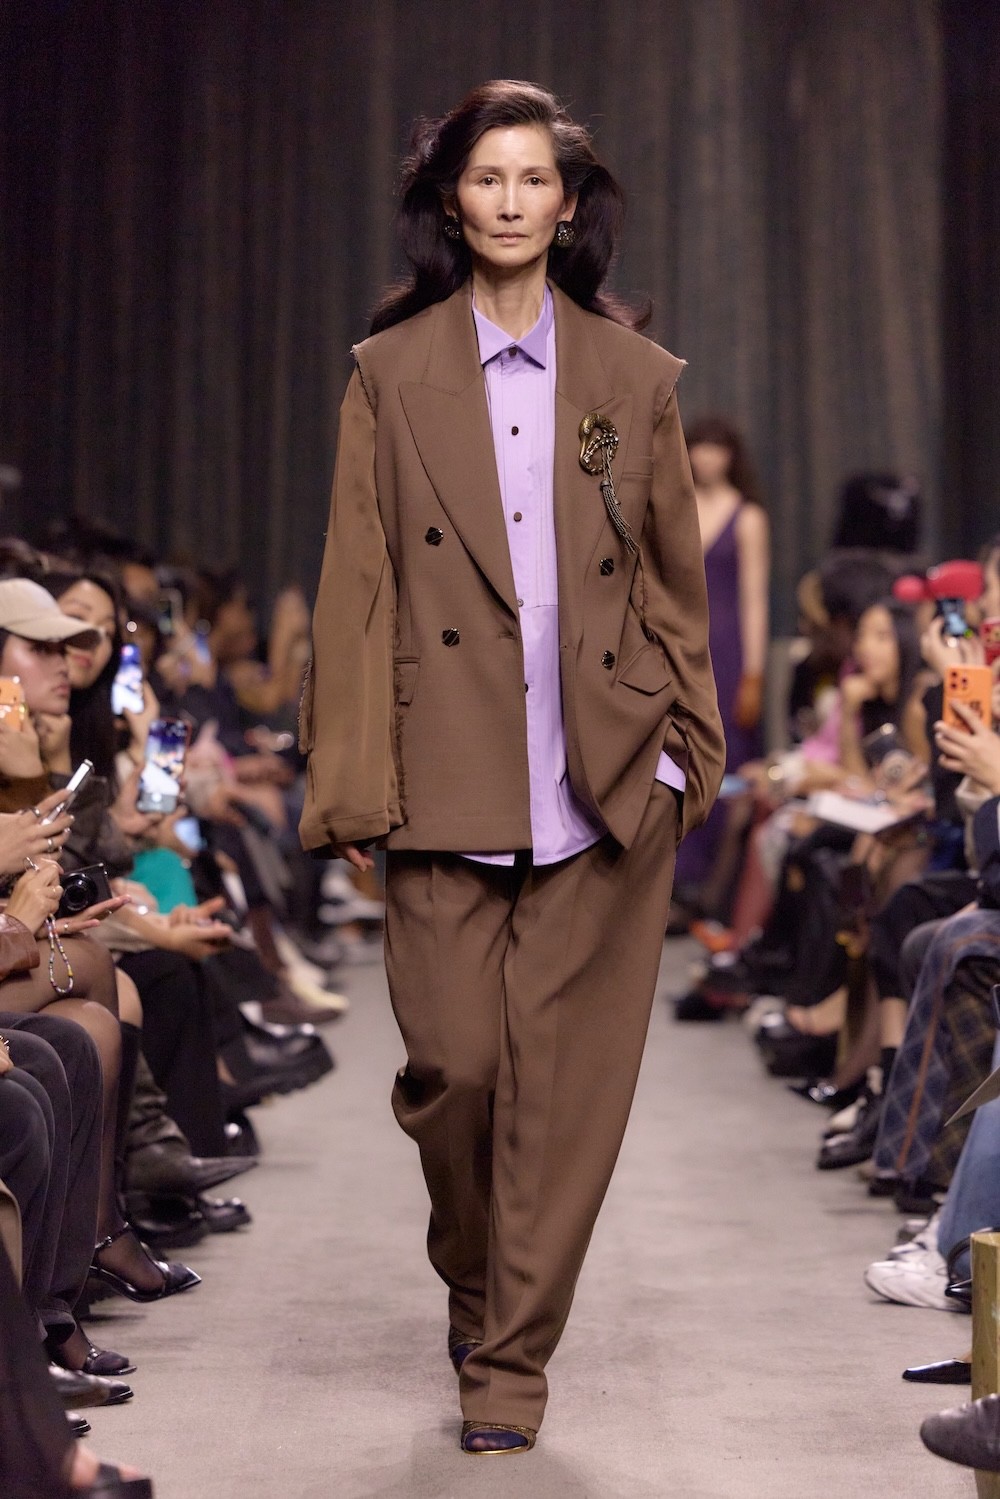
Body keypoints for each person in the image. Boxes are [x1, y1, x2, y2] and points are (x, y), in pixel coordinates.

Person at [300, 79, 724, 1453]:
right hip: (444, 765)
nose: (510, 201)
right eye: (486, 177)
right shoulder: (390, 373)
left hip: (602, 774)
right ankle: (478, 1283)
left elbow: (672, 581)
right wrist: (349, 775)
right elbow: (356, 582)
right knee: (457, 1072)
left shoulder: (631, 378)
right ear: (449, 200)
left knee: (563, 1097)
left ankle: (508, 1363)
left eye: (535, 178)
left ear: (569, 203)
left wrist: (686, 754)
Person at [672, 416, 769, 913]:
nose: (707, 457)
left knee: (727, 758)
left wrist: (754, 673)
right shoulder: (675, 505)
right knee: (678, 756)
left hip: (728, 653)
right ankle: (677, 881)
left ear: (732, 456)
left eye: (717, 448)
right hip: (679, 645)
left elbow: (755, 599)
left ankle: (718, 889)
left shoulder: (747, 517)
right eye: (699, 447)